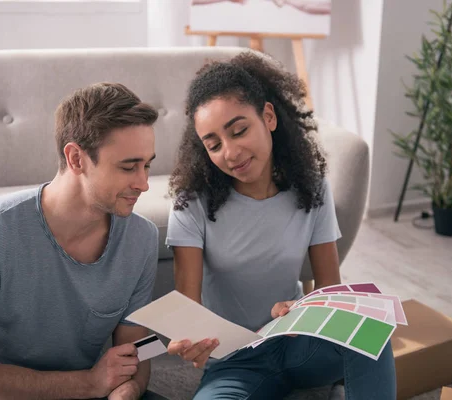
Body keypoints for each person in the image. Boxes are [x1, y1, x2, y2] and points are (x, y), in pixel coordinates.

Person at [165, 52, 396, 399]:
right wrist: (185, 338)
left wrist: (302, 313)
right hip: (234, 361)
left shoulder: (311, 186)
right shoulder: (191, 202)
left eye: (239, 130)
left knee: (370, 332)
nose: (230, 152)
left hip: (298, 344)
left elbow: (330, 291)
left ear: (268, 116)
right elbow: (187, 308)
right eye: (213, 144)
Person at [0, 83, 163, 400]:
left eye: (147, 165)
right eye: (128, 166)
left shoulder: (142, 238)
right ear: (76, 159)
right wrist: (88, 384)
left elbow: (134, 354)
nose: (144, 183)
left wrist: (127, 391)